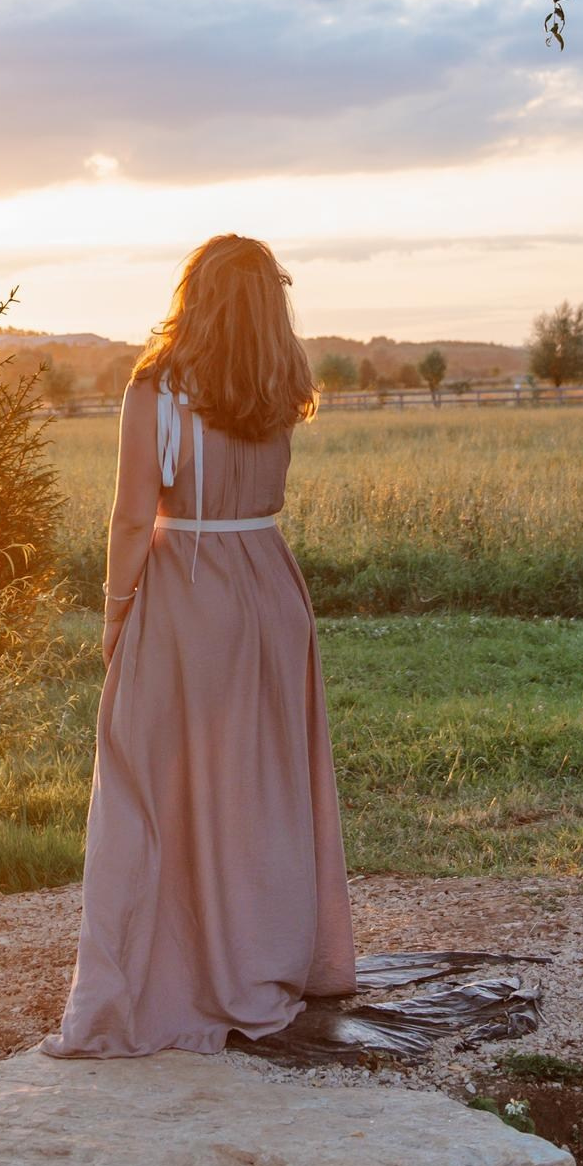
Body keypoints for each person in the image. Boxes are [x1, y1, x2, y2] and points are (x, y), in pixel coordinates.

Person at [45, 233, 356, 1057]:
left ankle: (185, 975)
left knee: (152, 782)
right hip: (272, 584)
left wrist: (115, 613)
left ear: (194, 296)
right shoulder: (280, 385)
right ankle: (268, 961)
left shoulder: (155, 391)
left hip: (189, 589)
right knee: (262, 782)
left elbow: (128, 517)